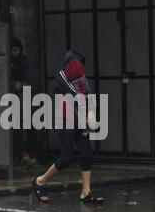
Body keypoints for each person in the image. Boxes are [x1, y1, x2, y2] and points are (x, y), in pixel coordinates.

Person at [31, 50, 104, 204]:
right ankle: (40, 181)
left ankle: (86, 191)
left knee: (86, 153)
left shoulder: (82, 77)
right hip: (65, 119)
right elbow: (76, 96)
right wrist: (87, 118)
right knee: (66, 157)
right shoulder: (61, 76)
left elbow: (89, 96)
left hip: (79, 118)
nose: (81, 70)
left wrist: (91, 116)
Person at [10, 37, 37, 167]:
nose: (15, 52)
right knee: (18, 128)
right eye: (13, 50)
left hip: (20, 96)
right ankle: (21, 154)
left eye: (17, 50)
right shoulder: (14, 61)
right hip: (16, 97)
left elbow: (27, 78)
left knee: (22, 126)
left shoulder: (22, 61)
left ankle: (24, 154)